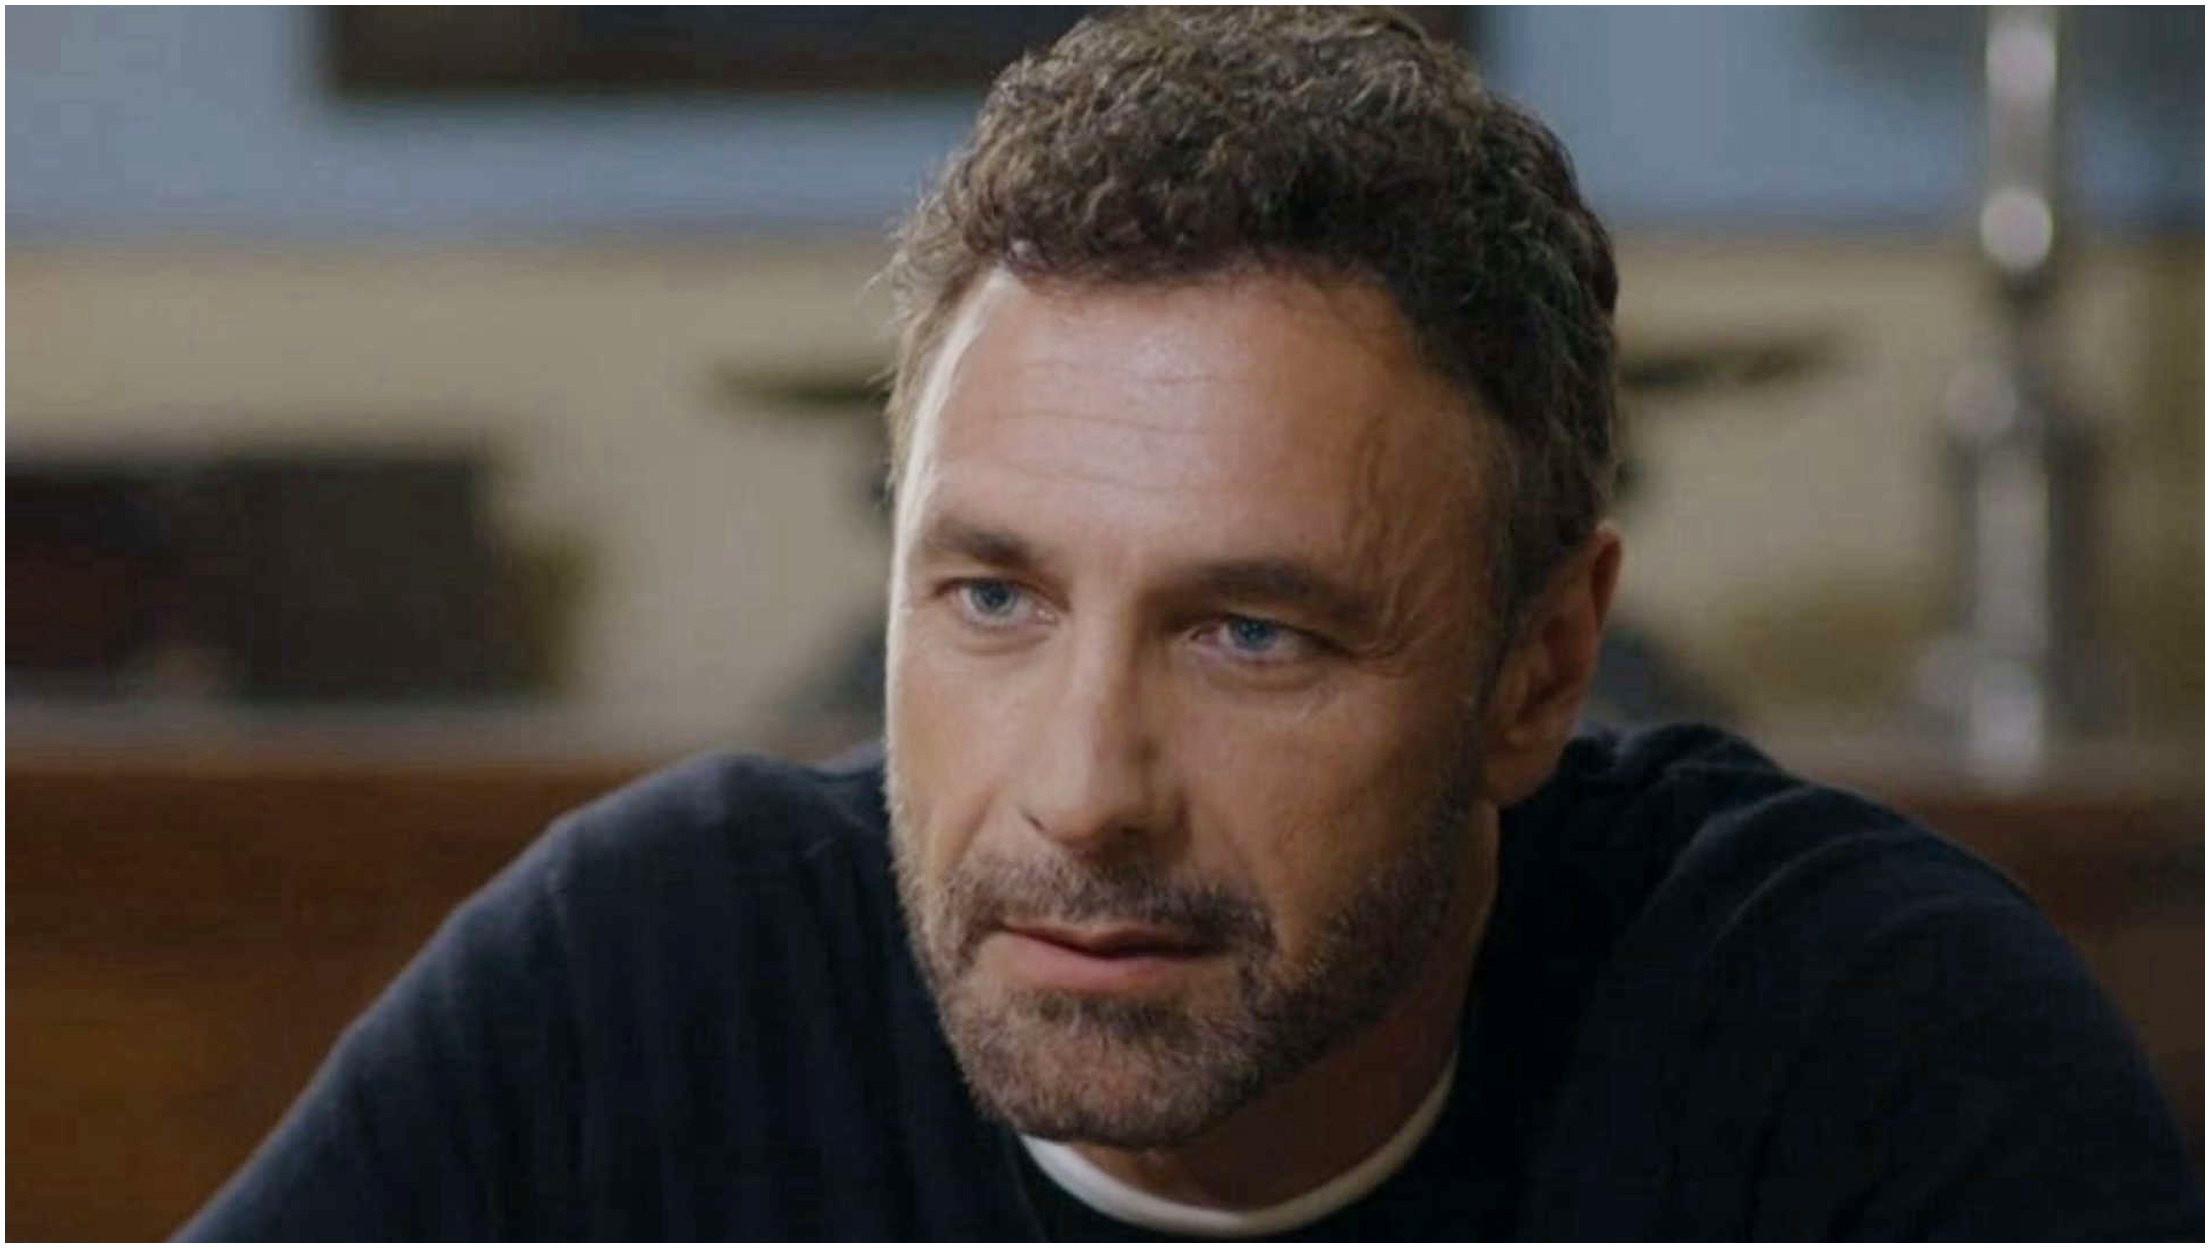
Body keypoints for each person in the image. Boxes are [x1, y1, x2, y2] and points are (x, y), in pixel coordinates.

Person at [183, 9, 2196, 1240]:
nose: (1081, 794)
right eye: (991, 598)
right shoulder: (639, 987)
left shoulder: (1857, 1047)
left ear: (1540, 670)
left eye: (1253, 636)